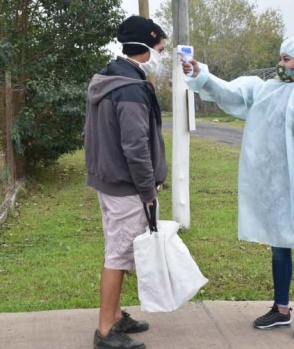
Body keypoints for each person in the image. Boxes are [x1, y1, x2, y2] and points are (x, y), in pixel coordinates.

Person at [182, 37, 294, 339]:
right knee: (279, 248)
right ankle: (281, 308)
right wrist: (202, 75)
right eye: (281, 58)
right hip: (276, 188)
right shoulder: (270, 90)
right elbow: (234, 92)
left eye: (287, 59)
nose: (281, 64)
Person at [84, 15, 168, 349]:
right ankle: (106, 330)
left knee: (120, 249)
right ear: (147, 47)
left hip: (109, 180)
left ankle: (117, 315)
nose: (161, 55)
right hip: (126, 186)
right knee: (118, 256)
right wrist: (148, 192)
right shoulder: (130, 88)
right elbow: (135, 146)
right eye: (161, 47)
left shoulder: (109, 77)